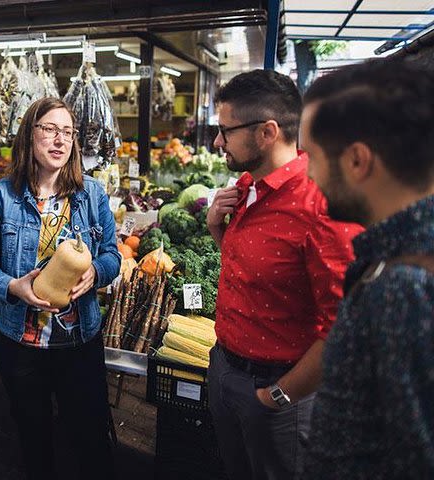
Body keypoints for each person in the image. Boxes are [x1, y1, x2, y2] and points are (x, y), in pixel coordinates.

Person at [205, 69, 362, 479]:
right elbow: (256, 276)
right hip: (225, 369)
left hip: (278, 393)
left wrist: (278, 396)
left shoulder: (323, 208)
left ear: (267, 132)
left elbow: (346, 329)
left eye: (225, 130)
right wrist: (216, 230)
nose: (217, 141)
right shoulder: (246, 186)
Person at [0, 97, 121, 480]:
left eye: (67, 132)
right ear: (29, 135)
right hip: (20, 343)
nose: (60, 140)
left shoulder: (92, 194)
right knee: (33, 435)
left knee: (91, 437)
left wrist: (96, 274)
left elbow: (112, 256)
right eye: (50, 129)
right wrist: (13, 287)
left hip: (79, 342)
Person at [300, 59, 434, 478]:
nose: (307, 172)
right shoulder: (396, 258)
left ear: (358, 161)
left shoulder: (403, 286)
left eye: (313, 156)